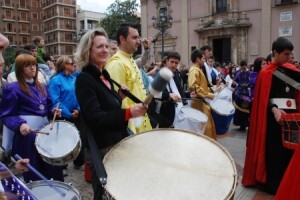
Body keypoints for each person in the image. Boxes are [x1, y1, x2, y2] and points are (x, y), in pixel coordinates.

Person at [74, 28, 147, 199]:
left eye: (107, 46)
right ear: (88, 50)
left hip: (114, 143)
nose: (105, 50)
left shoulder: (104, 76)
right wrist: (128, 112)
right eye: (99, 47)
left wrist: (119, 98)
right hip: (101, 149)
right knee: (105, 195)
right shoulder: (85, 79)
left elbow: (107, 109)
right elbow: (96, 117)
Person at [242, 37, 300, 195]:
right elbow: (262, 99)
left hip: (292, 117)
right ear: (276, 52)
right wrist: (274, 109)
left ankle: (287, 183)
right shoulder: (265, 73)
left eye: (290, 54)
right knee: (274, 152)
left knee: (290, 151)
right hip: (272, 118)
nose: (289, 57)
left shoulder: (292, 71)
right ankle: (273, 184)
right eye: (286, 54)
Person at [0, 53, 63, 183]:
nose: (32, 68)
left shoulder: (42, 86)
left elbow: (48, 108)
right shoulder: (12, 89)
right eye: (27, 66)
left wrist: (54, 112)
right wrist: (20, 124)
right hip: (26, 137)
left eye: (34, 65)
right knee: (33, 174)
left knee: (53, 170)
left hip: (45, 136)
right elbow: (6, 115)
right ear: (19, 69)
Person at [106, 23, 152, 134]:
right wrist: (130, 128)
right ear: (122, 39)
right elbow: (117, 101)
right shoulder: (116, 63)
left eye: (138, 37)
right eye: (134, 37)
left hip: (142, 122)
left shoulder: (130, 59)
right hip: (131, 126)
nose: (138, 41)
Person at [48, 55, 84, 174]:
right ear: (65, 65)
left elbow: (80, 94)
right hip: (64, 115)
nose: (73, 64)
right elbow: (56, 101)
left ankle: (79, 162)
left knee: (78, 138)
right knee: (63, 140)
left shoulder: (74, 78)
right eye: (71, 62)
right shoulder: (55, 80)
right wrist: (68, 114)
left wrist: (78, 109)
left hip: (76, 113)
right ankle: (62, 166)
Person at [188, 49, 217, 140]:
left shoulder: (198, 70)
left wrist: (212, 90)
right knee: (204, 130)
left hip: (202, 102)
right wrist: (209, 95)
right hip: (198, 103)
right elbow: (194, 87)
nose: (204, 61)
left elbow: (202, 87)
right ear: (198, 59)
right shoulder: (194, 70)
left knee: (207, 129)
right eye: (203, 59)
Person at [159, 52, 187, 128]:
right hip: (167, 114)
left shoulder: (176, 75)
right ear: (167, 61)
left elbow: (179, 92)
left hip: (179, 112)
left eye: (176, 63)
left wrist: (189, 94)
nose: (174, 65)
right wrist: (169, 95)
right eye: (172, 62)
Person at [233, 60, 251, 131]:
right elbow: (235, 81)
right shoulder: (239, 73)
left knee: (246, 110)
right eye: (242, 68)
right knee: (239, 111)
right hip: (240, 94)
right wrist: (234, 83)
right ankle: (241, 125)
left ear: (246, 66)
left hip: (247, 94)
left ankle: (246, 124)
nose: (243, 69)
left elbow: (251, 82)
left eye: (244, 68)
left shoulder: (250, 73)